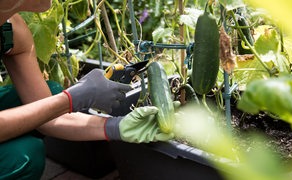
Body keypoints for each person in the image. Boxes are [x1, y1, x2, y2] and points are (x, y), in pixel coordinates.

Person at [0, 1, 173, 179]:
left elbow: (50, 119)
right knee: (23, 157)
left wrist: (115, 127)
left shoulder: (12, 30)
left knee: (50, 94)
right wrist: (70, 100)